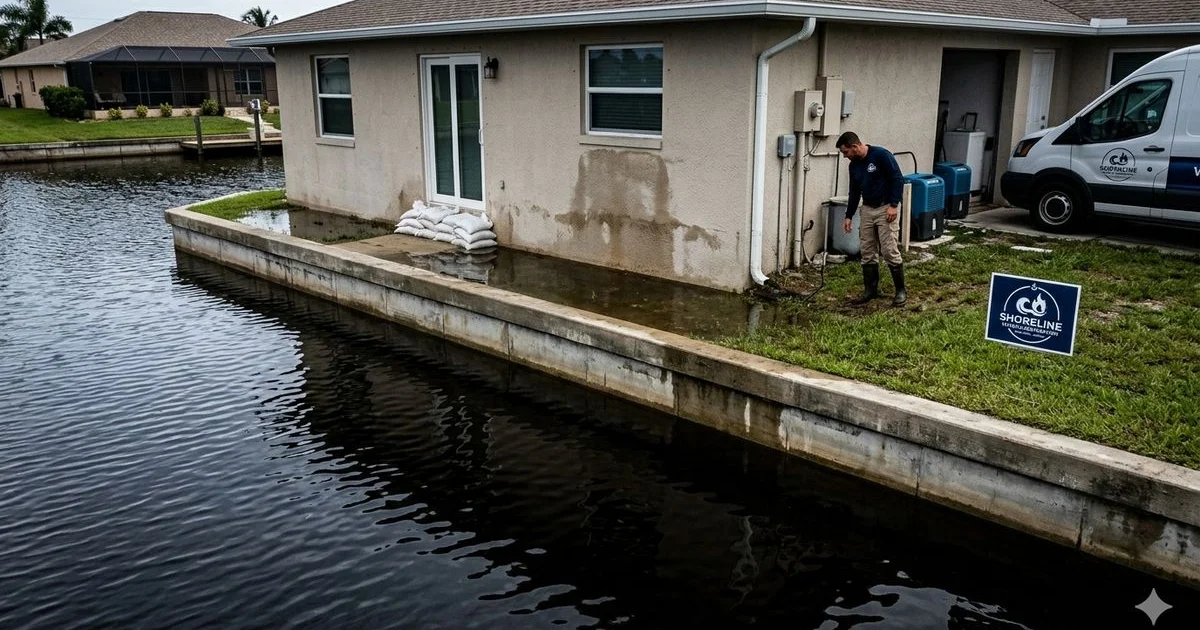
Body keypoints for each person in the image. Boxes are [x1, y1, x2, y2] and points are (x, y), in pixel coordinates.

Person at [837, 131, 907, 306]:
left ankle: (900, 291)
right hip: (867, 208)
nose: (845, 156)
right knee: (867, 251)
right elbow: (854, 191)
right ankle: (870, 290)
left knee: (889, 249)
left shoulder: (881, 155)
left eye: (846, 152)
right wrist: (848, 215)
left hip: (885, 208)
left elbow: (897, 179)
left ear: (855, 146)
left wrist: (893, 204)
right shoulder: (853, 166)